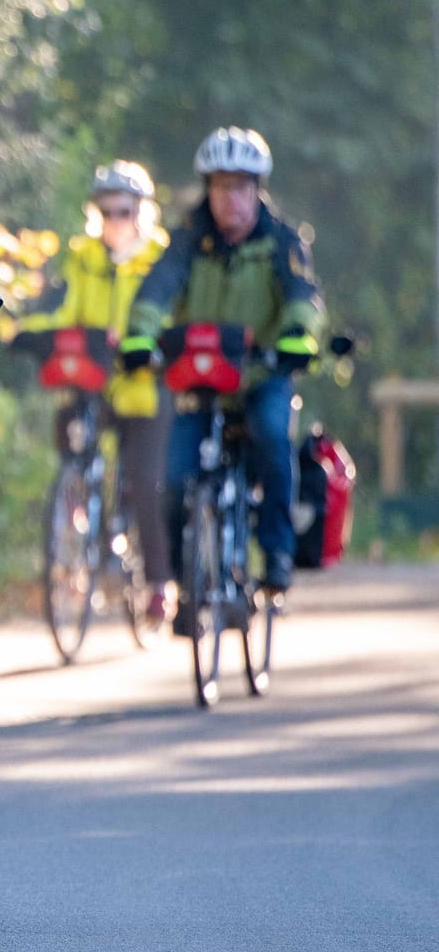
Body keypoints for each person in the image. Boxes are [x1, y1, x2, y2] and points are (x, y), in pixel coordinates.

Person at [119, 127, 326, 625]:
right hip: (203, 376)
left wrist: (298, 336)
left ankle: (276, 557)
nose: (229, 198)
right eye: (220, 186)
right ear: (207, 190)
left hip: (261, 375)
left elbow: (303, 296)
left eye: (240, 187)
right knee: (171, 477)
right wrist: (139, 337)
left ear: (257, 190)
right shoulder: (189, 239)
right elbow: (157, 290)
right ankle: (184, 579)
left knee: (274, 439)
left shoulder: (281, 240)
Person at [19, 160, 175, 623]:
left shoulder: (161, 260)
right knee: (69, 431)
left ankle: (161, 584)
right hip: (96, 383)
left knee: (146, 481)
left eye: (123, 211)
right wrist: (30, 333)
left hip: (145, 390)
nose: (114, 222)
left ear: (141, 213)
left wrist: (149, 348)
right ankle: (78, 516)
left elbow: (170, 316)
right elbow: (65, 312)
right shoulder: (82, 256)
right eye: (106, 212)